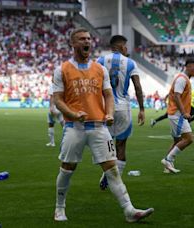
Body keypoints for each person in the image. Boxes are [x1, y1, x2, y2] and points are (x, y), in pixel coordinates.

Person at [52, 28, 153, 223]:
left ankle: (129, 210)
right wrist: (72, 114)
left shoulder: (100, 69)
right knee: (67, 168)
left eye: (88, 39)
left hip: (99, 126)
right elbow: (57, 99)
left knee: (112, 169)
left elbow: (108, 94)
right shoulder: (63, 69)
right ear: (73, 44)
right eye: (81, 39)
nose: (86, 41)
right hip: (75, 127)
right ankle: (59, 208)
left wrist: (109, 112)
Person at [96, 35, 145, 190]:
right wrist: (142, 109)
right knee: (121, 145)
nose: (127, 49)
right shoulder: (130, 63)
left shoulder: (100, 61)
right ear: (120, 46)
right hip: (123, 108)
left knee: (108, 143)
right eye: (125, 46)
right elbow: (137, 87)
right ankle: (115, 180)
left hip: (105, 109)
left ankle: (107, 173)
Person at [160, 58, 194, 174]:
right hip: (177, 115)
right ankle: (168, 160)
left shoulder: (183, 78)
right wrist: (184, 113)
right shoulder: (182, 79)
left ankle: (167, 166)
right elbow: (177, 96)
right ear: (187, 66)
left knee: (177, 140)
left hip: (175, 114)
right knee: (188, 139)